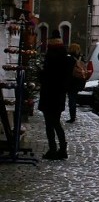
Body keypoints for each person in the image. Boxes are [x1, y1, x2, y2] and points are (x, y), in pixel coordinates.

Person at [38, 30, 73, 160]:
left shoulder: (51, 56)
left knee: (49, 124)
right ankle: (62, 149)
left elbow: (46, 76)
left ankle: (53, 149)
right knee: (56, 122)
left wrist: (41, 73)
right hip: (59, 96)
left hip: (49, 94)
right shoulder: (65, 56)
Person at [67, 42, 85, 123]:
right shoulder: (80, 58)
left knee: (71, 100)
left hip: (71, 82)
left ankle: (72, 117)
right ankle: (73, 116)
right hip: (78, 81)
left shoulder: (69, 59)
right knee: (73, 99)